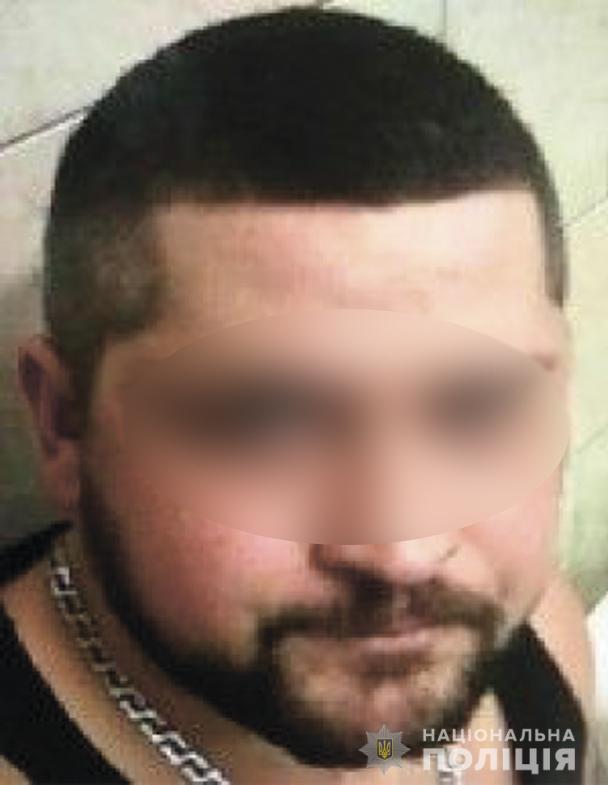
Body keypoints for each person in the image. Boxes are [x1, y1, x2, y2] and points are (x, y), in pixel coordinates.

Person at [0, 7, 597, 784]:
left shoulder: (542, 635)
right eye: (268, 424)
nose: (405, 552)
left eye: (479, 407)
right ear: (61, 425)